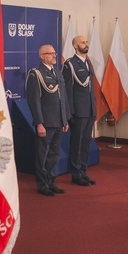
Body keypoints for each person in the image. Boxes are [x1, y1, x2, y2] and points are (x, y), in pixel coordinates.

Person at [26, 44, 70, 196]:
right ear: (42, 56)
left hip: (58, 121)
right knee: (42, 154)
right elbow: (34, 101)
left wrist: (65, 120)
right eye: (50, 53)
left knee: (54, 153)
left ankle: (52, 181)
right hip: (46, 122)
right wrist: (39, 123)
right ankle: (42, 184)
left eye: (54, 53)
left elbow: (62, 99)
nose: (54, 56)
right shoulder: (36, 74)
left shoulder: (57, 72)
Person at [62, 35, 97, 186]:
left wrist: (93, 108)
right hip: (78, 111)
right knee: (77, 143)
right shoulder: (70, 64)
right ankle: (76, 174)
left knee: (85, 143)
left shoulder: (88, 62)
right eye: (83, 42)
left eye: (87, 42)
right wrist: (70, 113)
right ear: (75, 46)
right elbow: (67, 91)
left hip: (88, 109)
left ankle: (83, 171)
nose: (86, 44)